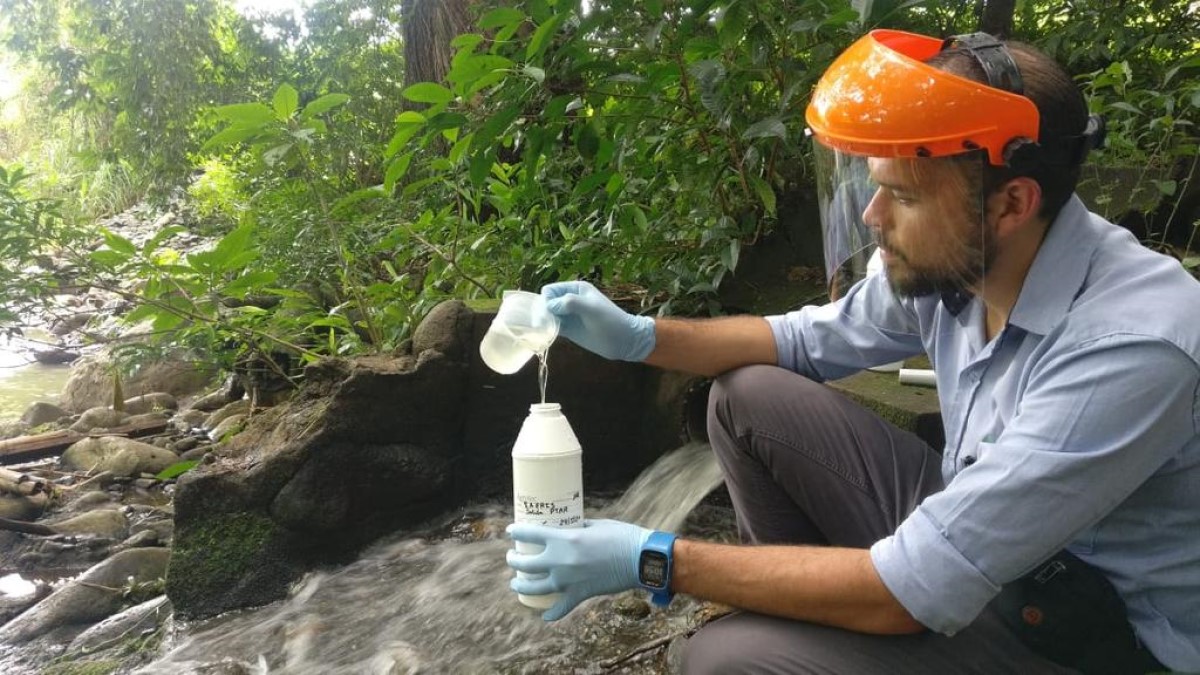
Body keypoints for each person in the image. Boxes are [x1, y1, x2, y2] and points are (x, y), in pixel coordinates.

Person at [504, 29, 1200, 674]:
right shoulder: (963, 258)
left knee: (725, 659)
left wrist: (654, 559)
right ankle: (814, 620)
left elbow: (913, 584)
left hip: (1090, 636)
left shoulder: (1131, 346)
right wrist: (637, 338)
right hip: (996, 546)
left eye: (900, 195)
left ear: (1011, 202)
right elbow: (801, 340)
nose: (873, 217)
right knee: (747, 395)